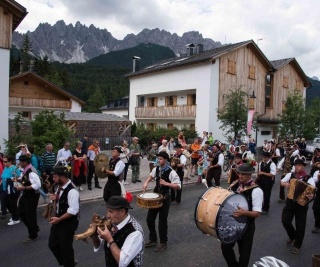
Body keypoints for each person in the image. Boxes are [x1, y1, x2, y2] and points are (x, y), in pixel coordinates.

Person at [222, 163, 263, 267]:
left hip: (247, 226)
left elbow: (257, 213)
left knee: (244, 254)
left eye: (243, 174)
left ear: (249, 175)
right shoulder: (236, 184)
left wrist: (244, 212)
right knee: (225, 246)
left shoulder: (256, 190)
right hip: (233, 223)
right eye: (239, 173)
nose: (240, 176)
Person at [143, 151, 181, 252]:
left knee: (162, 222)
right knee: (149, 218)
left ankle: (163, 242)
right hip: (156, 197)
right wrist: (146, 183)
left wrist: (166, 183)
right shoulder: (157, 169)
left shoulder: (171, 171)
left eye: (160, 159)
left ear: (165, 160)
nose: (158, 161)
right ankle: (153, 239)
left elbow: (178, 186)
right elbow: (151, 176)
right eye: (158, 159)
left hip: (165, 198)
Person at [92, 196, 144, 267]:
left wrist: (110, 240)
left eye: (110, 211)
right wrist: (94, 235)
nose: (108, 215)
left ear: (122, 212)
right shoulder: (112, 223)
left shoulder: (135, 232)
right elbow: (100, 247)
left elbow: (122, 263)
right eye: (107, 211)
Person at [281, 158, 315, 254]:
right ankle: (292, 235)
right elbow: (282, 182)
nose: (297, 167)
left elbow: (312, 190)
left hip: (302, 203)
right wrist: (286, 184)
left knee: (300, 225)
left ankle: (297, 245)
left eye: (299, 165)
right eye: (296, 165)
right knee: (285, 220)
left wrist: (311, 195)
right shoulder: (290, 175)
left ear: (303, 166)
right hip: (290, 201)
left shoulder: (309, 178)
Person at [48, 165, 80, 267]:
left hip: (68, 222)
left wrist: (59, 219)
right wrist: (54, 199)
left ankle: (69, 262)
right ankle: (67, 261)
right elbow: (60, 201)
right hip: (59, 220)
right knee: (52, 244)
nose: (53, 179)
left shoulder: (72, 191)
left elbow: (73, 211)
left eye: (55, 177)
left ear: (62, 177)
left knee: (66, 248)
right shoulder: (60, 187)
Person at [15, 155, 41, 242]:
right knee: (21, 212)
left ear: (25, 162)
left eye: (21, 162)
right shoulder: (26, 170)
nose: (19, 163)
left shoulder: (31, 171)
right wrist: (18, 180)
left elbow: (37, 185)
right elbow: (25, 179)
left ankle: (33, 235)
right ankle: (34, 227)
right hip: (26, 194)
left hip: (32, 195)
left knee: (30, 215)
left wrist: (24, 188)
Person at [1, 156, 21, 224]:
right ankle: (14, 215)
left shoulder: (14, 168)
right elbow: (3, 177)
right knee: (5, 202)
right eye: (3, 161)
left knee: (12, 203)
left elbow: (19, 177)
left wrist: (12, 179)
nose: (4, 163)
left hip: (12, 188)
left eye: (5, 161)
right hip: (4, 188)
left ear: (10, 161)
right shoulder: (6, 168)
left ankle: (16, 218)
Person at [311, 162, 320, 233]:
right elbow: (313, 181)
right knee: (315, 208)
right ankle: (317, 225)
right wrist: (317, 178)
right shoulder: (317, 172)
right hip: (319, 192)